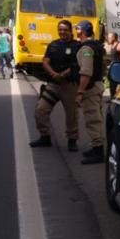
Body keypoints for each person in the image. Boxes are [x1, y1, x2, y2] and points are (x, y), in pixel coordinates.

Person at [29, 20, 81, 151]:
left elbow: (78, 64)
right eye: (60, 29)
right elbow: (45, 61)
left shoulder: (77, 46)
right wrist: (53, 74)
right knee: (41, 109)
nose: (62, 32)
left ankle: (72, 140)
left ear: (71, 31)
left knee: (71, 114)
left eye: (65, 29)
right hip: (53, 84)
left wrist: (63, 74)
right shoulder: (53, 45)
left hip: (70, 85)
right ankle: (45, 137)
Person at [74, 21, 106, 164]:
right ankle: (96, 147)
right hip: (98, 84)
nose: (76, 30)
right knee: (97, 117)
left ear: (81, 31)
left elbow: (86, 72)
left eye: (77, 28)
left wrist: (80, 92)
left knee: (92, 119)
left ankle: (98, 150)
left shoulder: (86, 48)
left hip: (90, 88)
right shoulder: (97, 46)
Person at [103, 32, 120, 97]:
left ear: (114, 38)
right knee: (111, 83)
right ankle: (112, 97)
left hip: (118, 68)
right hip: (111, 68)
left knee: (115, 84)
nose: (108, 38)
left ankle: (118, 97)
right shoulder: (110, 45)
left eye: (109, 37)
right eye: (108, 37)